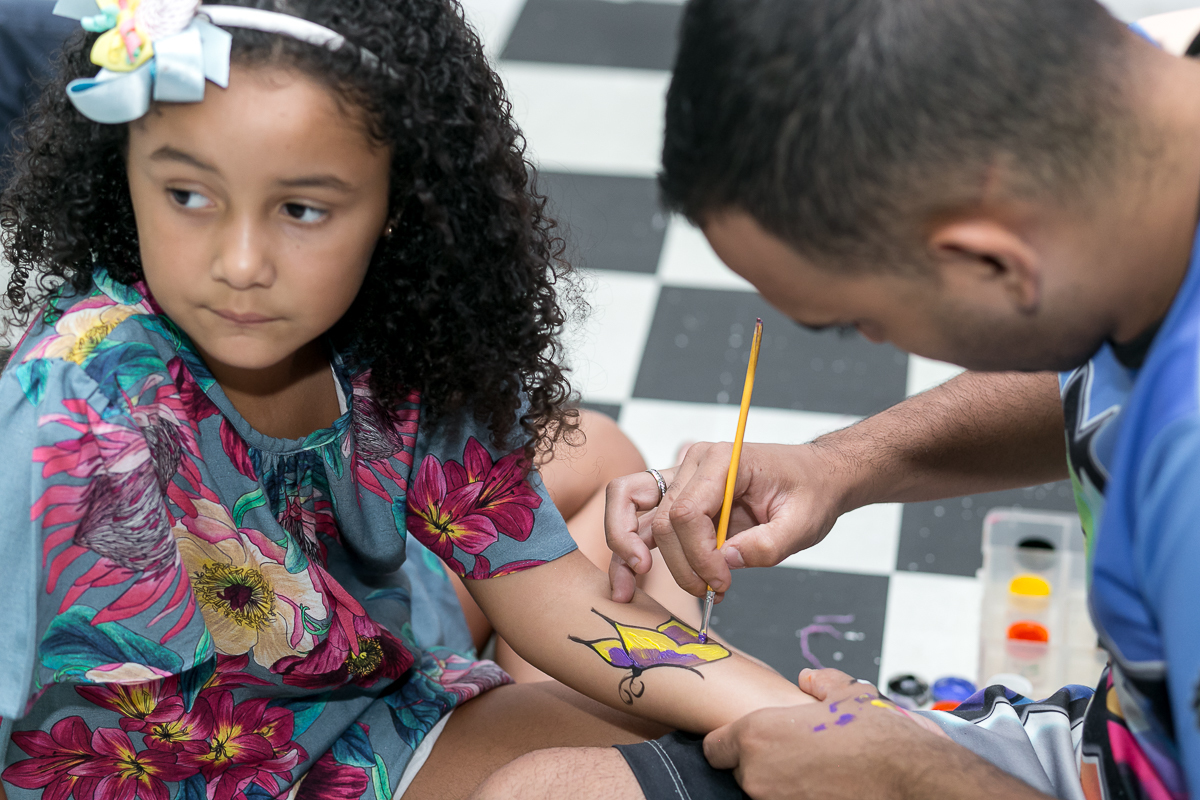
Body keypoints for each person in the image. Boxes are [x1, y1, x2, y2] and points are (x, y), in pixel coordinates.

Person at [0, 1, 815, 798]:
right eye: (187, 195)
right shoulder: (70, 412)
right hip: (195, 775)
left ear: (399, 208)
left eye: (301, 209)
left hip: (356, 691)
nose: (240, 262)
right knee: (644, 758)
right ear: (122, 171)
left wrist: (829, 733)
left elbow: (547, 592)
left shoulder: (393, 344)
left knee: (598, 460)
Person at [475, 1, 1200, 799]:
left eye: (859, 322)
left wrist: (912, 777)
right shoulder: (1143, 89)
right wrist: (843, 464)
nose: (874, 339)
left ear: (991, 260)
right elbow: (1100, 360)